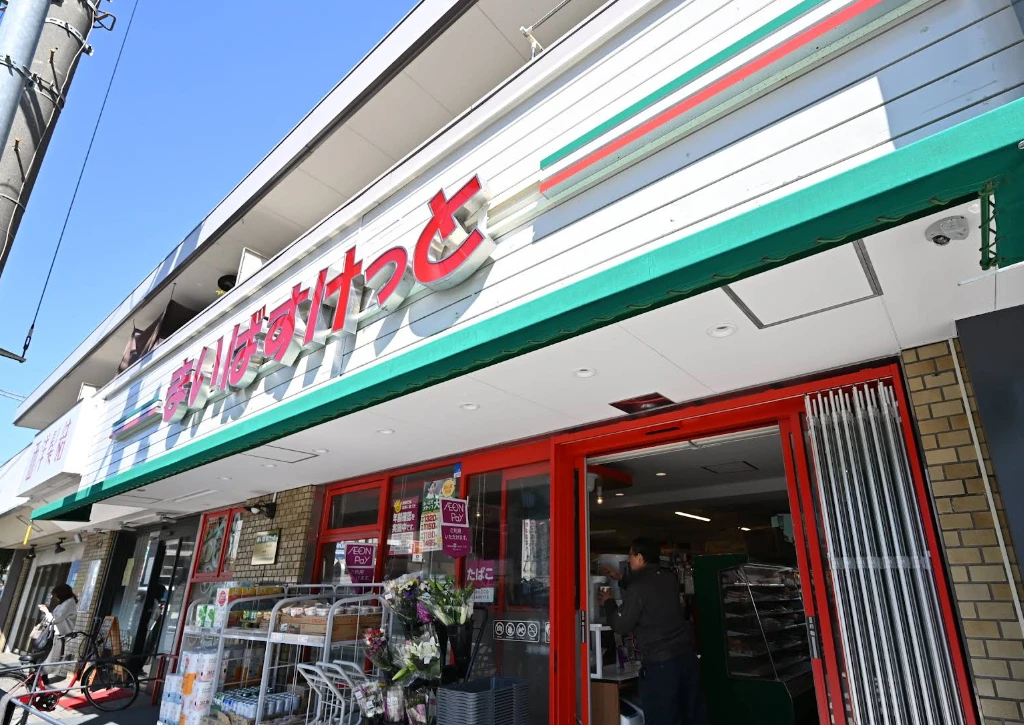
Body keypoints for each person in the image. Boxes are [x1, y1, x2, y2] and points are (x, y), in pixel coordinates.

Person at [599, 538, 706, 725]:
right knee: (692, 717)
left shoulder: (637, 589)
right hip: (687, 659)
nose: (629, 559)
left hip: (661, 665)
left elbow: (621, 625)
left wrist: (608, 603)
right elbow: (649, 585)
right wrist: (621, 578)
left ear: (640, 558)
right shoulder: (669, 578)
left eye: (630, 555)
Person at [37, 584, 78, 685]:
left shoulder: (68, 604)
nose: (55, 597)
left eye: (56, 595)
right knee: (47, 656)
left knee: (53, 659)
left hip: (59, 635)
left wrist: (46, 611)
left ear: (62, 593)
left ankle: (37, 678)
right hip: (54, 633)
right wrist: (47, 611)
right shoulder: (65, 603)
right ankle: (39, 678)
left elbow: (55, 619)